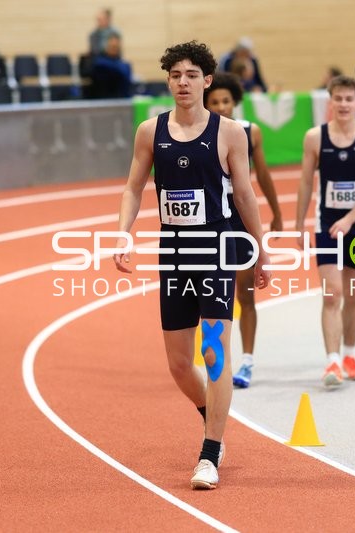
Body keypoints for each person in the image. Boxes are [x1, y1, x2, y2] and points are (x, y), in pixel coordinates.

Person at [113, 41, 271, 490]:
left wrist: (262, 251)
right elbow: (132, 187)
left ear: (207, 80)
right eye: (175, 75)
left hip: (218, 250)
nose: (182, 82)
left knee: (214, 353)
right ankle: (213, 420)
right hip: (175, 254)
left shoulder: (230, 133)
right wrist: (123, 232)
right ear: (169, 81)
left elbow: (244, 196)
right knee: (180, 364)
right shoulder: (150, 131)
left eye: (191, 75)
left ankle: (209, 453)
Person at [295, 75, 355, 388]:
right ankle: (332, 360)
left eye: (350, 99)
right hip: (326, 226)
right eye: (338, 99)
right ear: (330, 102)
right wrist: (298, 225)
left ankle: (350, 355)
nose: (344, 104)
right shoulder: (315, 138)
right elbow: (306, 182)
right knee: (332, 293)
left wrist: (350, 218)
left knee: (354, 294)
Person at [203, 72, 283, 389]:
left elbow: (261, 175)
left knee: (244, 294)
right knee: (210, 295)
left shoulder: (251, 132)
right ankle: (214, 355)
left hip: (241, 220)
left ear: (235, 102)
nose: (221, 106)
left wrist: (276, 212)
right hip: (210, 222)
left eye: (226, 101)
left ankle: (247, 361)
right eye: (214, 102)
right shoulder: (199, 133)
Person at [90, 34, 133, 99]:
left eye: (116, 46)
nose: (114, 48)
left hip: (122, 100)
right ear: (106, 46)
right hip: (104, 101)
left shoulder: (124, 64)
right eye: (112, 46)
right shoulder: (99, 63)